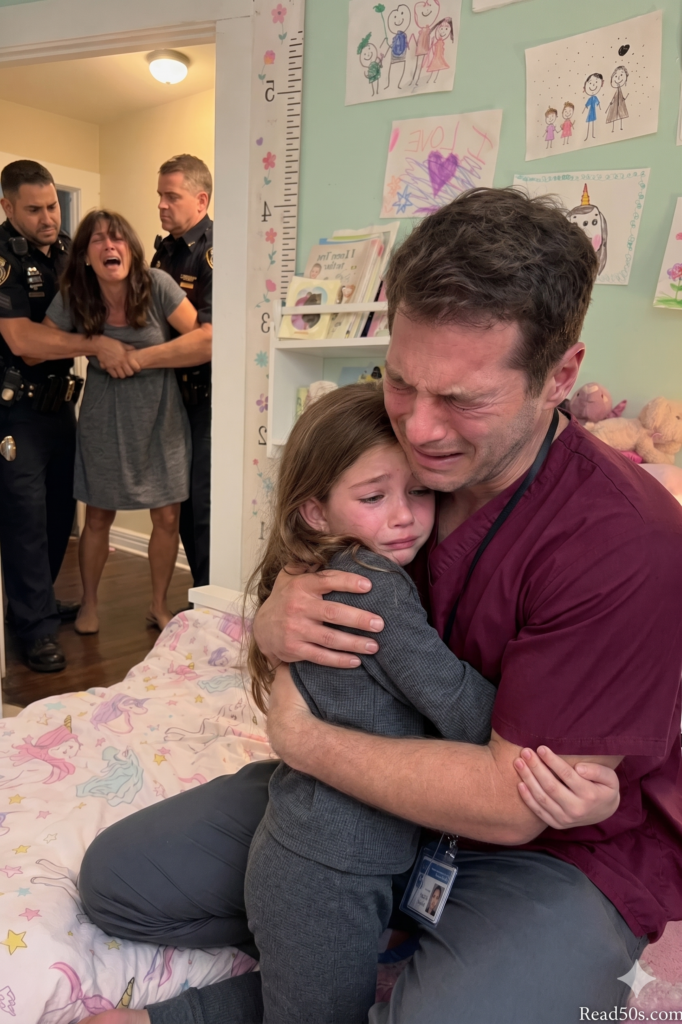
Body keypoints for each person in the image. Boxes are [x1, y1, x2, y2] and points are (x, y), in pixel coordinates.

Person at [79, 188, 682, 1024]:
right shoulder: (385, 461)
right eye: (400, 380)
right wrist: (272, 617)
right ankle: (350, 948)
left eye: (463, 400)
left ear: (560, 378)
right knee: (119, 884)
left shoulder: (625, 540)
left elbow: (514, 801)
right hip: (372, 796)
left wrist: (308, 743)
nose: (420, 429)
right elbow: (305, 549)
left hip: (556, 848)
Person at [243, 383, 498, 1024]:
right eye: (373, 497)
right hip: (329, 868)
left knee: (311, 997)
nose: (404, 516)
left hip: (325, 850)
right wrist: (554, 724)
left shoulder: (324, 568)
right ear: (315, 511)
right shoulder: (372, 588)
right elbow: (462, 709)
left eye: (419, 491)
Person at [44, 209, 210, 633]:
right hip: (104, 420)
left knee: (167, 518)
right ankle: (89, 604)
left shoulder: (158, 285)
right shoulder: (75, 294)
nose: (109, 246)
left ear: (131, 249)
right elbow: (41, 342)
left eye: (117, 238)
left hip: (162, 418)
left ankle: (158, 605)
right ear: (85, 255)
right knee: (98, 517)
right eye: (97, 240)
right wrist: (97, 344)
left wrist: (138, 358)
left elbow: (205, 341)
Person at [0, 160, 138, 673]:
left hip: (62, 405)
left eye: (53, 206)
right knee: (25, 520)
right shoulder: (3, 257)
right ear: (7, 206)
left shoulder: (66, 252)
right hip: (16, 412)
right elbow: (23, 340)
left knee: (61, 514)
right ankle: (34, 629)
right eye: (34, 209)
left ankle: (31, 606)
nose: (48, 218)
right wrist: (96, 344)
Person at [152, 155, 213, 588]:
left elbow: (209, 341)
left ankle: (212, 604)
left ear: (201, 200)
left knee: (206, 509)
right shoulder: (162, 252)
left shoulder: (212, 253)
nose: (161, 204)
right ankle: (200, 599)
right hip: (169, 402)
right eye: (159, 196)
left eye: (171, 196)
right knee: (181, 507)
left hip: (205, 403)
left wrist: (140, 358)